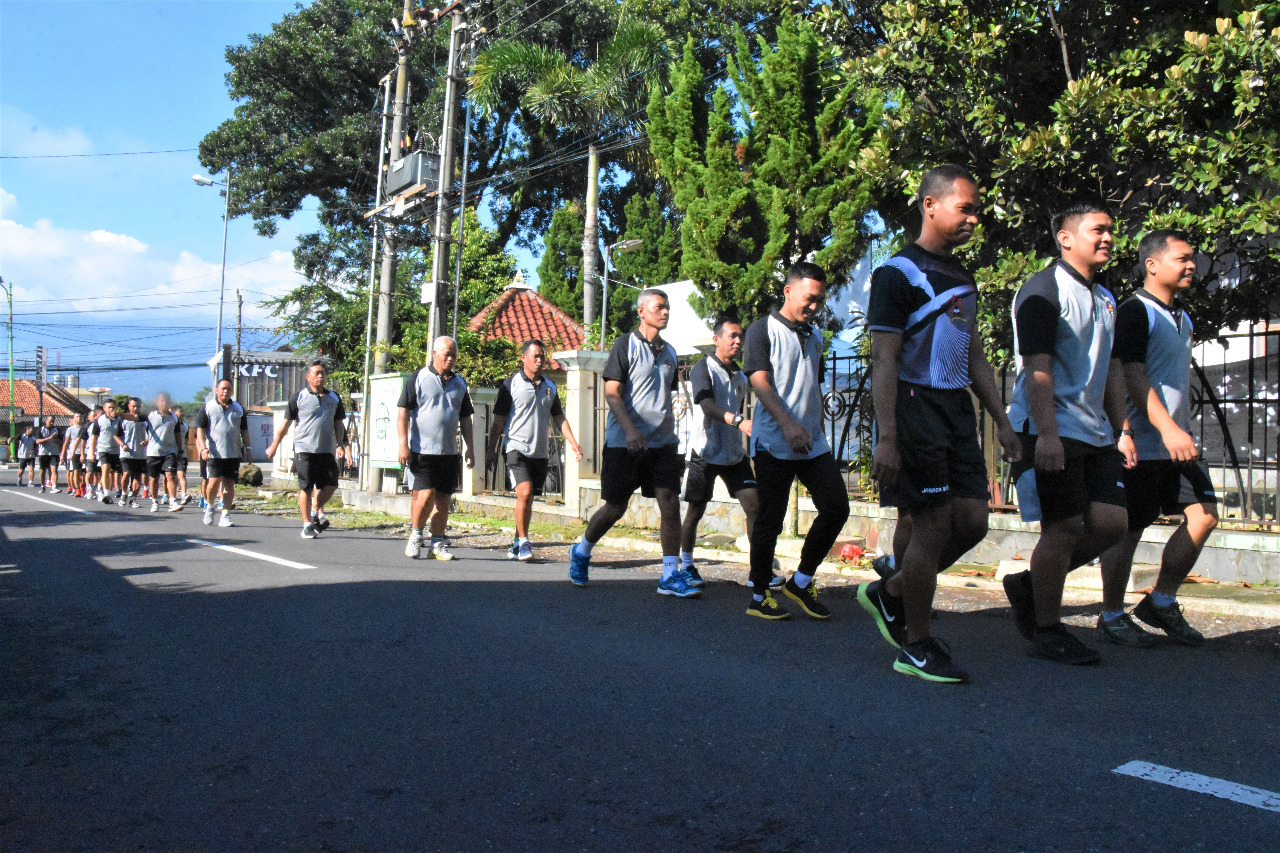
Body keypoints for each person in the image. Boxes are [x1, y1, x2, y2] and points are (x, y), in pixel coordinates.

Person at [858, 165, 1022, 684]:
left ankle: (892, 591)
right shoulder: (898, 274)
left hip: (955, 410)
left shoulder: (962, 277)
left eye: (977, 209)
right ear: (930, 205)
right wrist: (887, 437)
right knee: (932, 524)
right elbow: (883, 360)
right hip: (914, 406)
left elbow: (974, 357)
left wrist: (1002, 422)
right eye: (965, 207)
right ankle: (916, 643)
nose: (975, 217)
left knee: (973, 522)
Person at [1003, 199, 1133, 665]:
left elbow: (1113, 370)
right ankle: (1047, 628)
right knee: (1065, 527)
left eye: (1110, 231)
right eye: (1097, 230)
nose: (1107, 238)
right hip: (1049, 426)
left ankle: (1028, 585)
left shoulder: (1106, 295)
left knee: (1112, 523)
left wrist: (1123, 429)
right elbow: (1036, 368)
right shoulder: (1043, 289)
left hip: (1095, 431)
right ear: (1065, 237)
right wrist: (1049, 434)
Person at [1097, 230, 1217, 647]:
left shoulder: (1182, 316)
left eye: (1192, 259)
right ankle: (1111, 614)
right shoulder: (1134, 312)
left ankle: (1160, 600)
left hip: (1175, 444)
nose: (1191, 266)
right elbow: (1131, 375)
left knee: (1204, 516)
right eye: (1182, 258)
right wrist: (1156, 429)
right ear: (1152, 264)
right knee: (1127, 530)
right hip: (1146, 445)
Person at [567, 288, 698, 598]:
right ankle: (582, 550)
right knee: (615, 507)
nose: (665, 312)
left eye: (667, 307)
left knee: (669, 503)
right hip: (624, 443)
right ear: (642, 311)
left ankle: (669, 574)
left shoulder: (670, 352)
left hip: (662, 444)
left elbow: (664, 395)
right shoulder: (625, 345)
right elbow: (612, 393)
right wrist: (629, 431)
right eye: (659, 307)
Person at [742, 262, 850, 619]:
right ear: (788, 291)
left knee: (836, 507)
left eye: (819, 300)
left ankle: (800, 582)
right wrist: (789, 425)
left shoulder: (815, 336)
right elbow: (760, 382)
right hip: (775, 441)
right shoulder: (762, 330)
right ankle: (759, 596)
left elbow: (812, 388)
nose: (814, 307)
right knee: (770, 519)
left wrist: (816, 429)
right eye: (809, 299)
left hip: (811, 443)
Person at [679, 318, 781, 589]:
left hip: (734, 454)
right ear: (717, 339)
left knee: (754, 507)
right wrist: (738, 421)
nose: (738, 341)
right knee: (695, 511)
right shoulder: (703, 367)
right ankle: (687, 565)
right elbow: (706, 404)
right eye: (732, 336)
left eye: (740, 337)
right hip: (705, 452)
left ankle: (759, 572)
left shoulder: (740, 374)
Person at [486, 339, 584, 562]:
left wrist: (573, 442)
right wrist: (491, 450)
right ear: (523, 358)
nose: (540, 360)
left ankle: (516, 542)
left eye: (542, 356)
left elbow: (559, 417)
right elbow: (498, 422)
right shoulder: (509, 385)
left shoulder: (550, 387)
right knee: (525, 492)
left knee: (528, 500)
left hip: (539, 452)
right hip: (515, 448)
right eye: (535, 356)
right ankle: (524, 542)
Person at [397, 336, 477, 560]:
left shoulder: (459, 383)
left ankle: (437, 543)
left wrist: (470, 448)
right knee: (426, 495)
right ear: (434, 354)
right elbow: (403, 412)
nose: (450, 359)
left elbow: (466, 419)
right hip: (422, 451)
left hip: (449, 452)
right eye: (446, 355)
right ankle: (415, 535)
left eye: (454, 355)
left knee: (443, 499)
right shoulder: (419, 378)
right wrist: (403, 444)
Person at [266, 360, 351, 539]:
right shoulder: (299, 397)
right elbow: (285, 425)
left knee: (331, 485)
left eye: (323, 373)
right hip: (304, 450)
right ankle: (306, 525)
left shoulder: (334, 397)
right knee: (305, 487)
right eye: (316, 373)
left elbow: (339, 424)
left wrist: (341, 445)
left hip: (326, 450)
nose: (320, 376)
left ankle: (314, 510)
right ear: (308, 376)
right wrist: (274, 446)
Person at [196, 378, 252, 527]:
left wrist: (248, 448)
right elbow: (200, 430)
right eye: (223, 389)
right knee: (214, 481)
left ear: (232, 391)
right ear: (217, 390)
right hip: (214, 453)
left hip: (233, 453)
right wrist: (202, 448)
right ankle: (209, 506)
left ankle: (225, 515)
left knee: (229, 483)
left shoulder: (238, 408)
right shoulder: (208, 407)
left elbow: (244, 430)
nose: (226, 391)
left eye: (228, 389)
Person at [145, 393, 184, 513]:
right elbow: (140, 425)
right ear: (157, 402)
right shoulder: (150, 416)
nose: (164, 403)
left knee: (171, 475)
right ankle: (154, 501)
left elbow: (177, 434)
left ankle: (172, 501)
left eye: (166, 401)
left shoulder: (174, 418)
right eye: (161, 401)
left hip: (170, 451)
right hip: (153, 452)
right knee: (154, 478)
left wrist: (179, 449)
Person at [90, 399, 124, 503]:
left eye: (113, 407)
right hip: (103, 449)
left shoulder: (120, 420)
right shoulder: (99, 420)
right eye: (109, 407)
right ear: (104, 409)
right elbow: (94, 438)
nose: (111, 409)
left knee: (112, 473)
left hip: (116, 450)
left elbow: (122, 435)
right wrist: (92, 453)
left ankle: (103, 489)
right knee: (106, 469)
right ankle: (106, 493)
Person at [118, 397, 148, 507]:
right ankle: (124, 493)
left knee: (137, 477)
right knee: (126, 474)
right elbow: (116, 435)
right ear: (129, 406)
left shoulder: (145, 419)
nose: (136, 408)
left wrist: (147, 440)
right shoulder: (123, 420)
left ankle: (133, 498)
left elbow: (152, 433)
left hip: (140, 453)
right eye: (134, 406)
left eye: (138, 406)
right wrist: (122, 444)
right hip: (126, 452)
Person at [35, 415, 62, 493]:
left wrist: (56, 438)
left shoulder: (57, 430)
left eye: (53, 421)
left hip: (54, 453)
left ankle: (54, 486)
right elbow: (37, 441)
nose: (52, 423)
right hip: (43, 453)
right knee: (42, 470)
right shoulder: (40, 430)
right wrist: (49, 438)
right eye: (50, 421)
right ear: (46, 420)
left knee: (54, 470)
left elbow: (61, 442)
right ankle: (42, 485)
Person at [61, 413, 86, 497]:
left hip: (85, 452)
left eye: (80, 416)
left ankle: (84, 488)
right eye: (77, 417)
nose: (79, 418)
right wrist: (63, 454)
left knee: (85, 472)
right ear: (74, 418)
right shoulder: (70, 429)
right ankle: (76, 489)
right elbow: (66, 442)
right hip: (74, 452)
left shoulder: (86, 427)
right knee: (75, 471)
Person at [83, 405, 103, 500]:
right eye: (100, 414)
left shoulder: (105, 424)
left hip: (101, 451)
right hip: (91, 451)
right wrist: (84, 453)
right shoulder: (89, 426)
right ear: (95, 415)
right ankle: (89, 488)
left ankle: (98, 489)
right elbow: (83, 440)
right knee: (90, 472)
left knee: (99, 473)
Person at [172, 406, 192, 505]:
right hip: (170, 453)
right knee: (170, 476)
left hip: (182, 454)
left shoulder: (185, 426)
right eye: (180, 411)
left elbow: (186, 440)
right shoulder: (170, 424)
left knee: (181, 474)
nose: (182, 413)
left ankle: (184, 494)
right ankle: (168, 495)